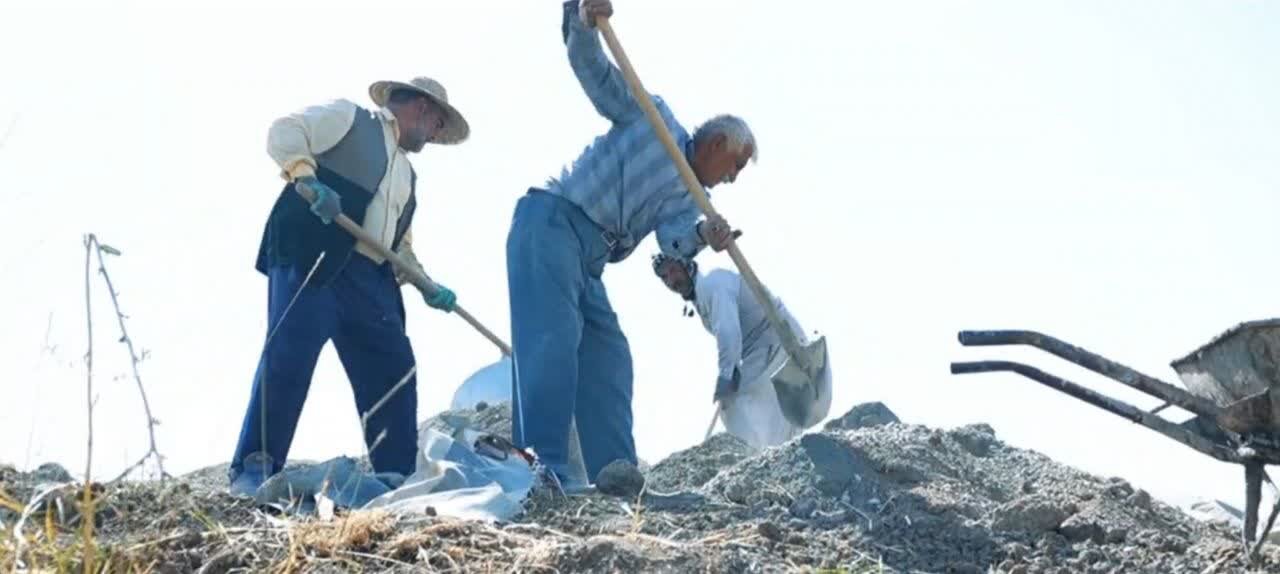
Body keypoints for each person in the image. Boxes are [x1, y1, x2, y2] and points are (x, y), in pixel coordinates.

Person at [505, 0, 756, 486]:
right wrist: (582, 22)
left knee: (609, 356)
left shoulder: (691, 197)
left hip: (589, 259)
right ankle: (539, 469)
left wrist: (707, 234)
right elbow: (593, 72)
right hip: (552, 223)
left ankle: (613, 474)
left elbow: (673, 243)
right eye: (735, 166)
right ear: (716, 145)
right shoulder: (654, 120)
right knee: (552, 343)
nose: (732, 179)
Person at [229, 76, 471, 496]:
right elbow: (284, 132)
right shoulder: (351, 119)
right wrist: (308, 180)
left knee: (393, 364)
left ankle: (393, 476)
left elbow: (400, 249)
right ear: (421, 108)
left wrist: (427, 284)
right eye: (435, 126)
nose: (433, 136)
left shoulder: (409, 180)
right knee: (291, 353)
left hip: (368, 279)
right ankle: (255, 467)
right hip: (316, 250)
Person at [651, 253, 833, 450]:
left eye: (673, 271)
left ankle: (749, 457)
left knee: (732, 403)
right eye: (664, 277)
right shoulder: (702, 296)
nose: (671, 280)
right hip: (765, 347)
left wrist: (726, 376)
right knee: (776, 413)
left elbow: (728, 332)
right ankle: (780, 455)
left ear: (687, 266)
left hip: (775, 339)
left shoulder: (713, 284)